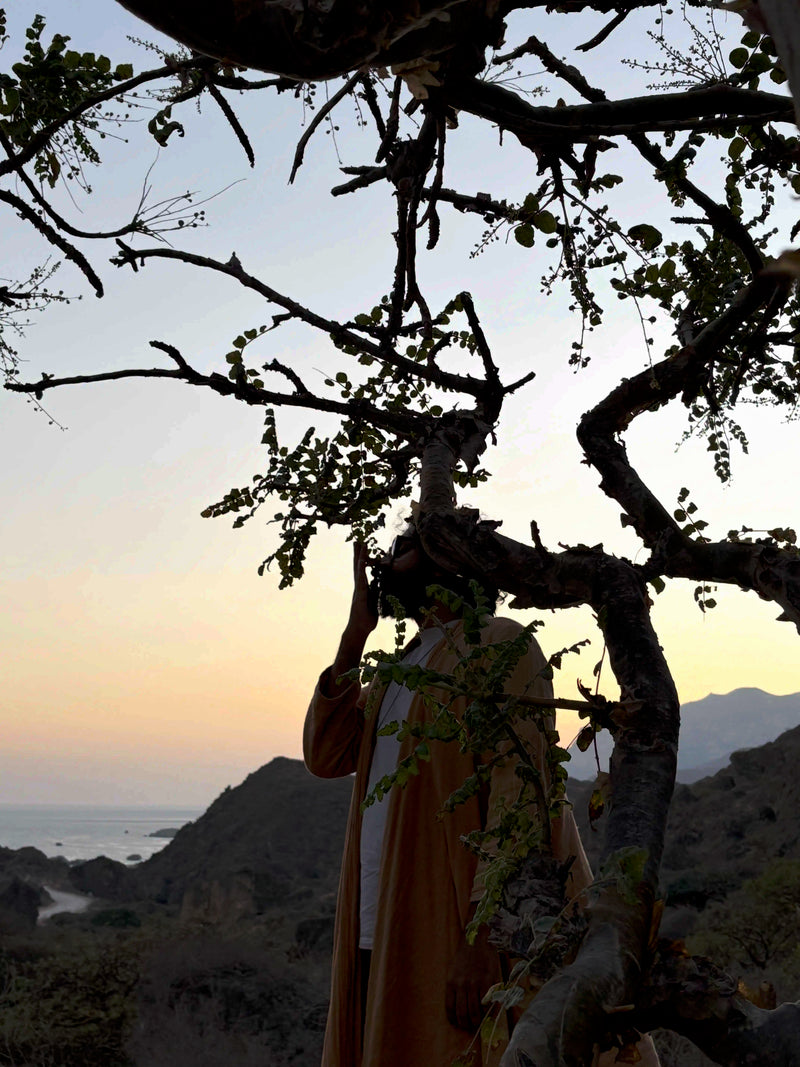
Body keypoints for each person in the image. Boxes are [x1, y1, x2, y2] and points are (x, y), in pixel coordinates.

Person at [304, 528, 659, 1066]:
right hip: (383, 917)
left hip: (457, 922)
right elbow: (326, 756)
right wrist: (355, 634)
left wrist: (482, 939)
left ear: (454, 558)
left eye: (408, 544)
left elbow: (519, 793)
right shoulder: (398, 669)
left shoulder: (499, 642)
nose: (387, 556)